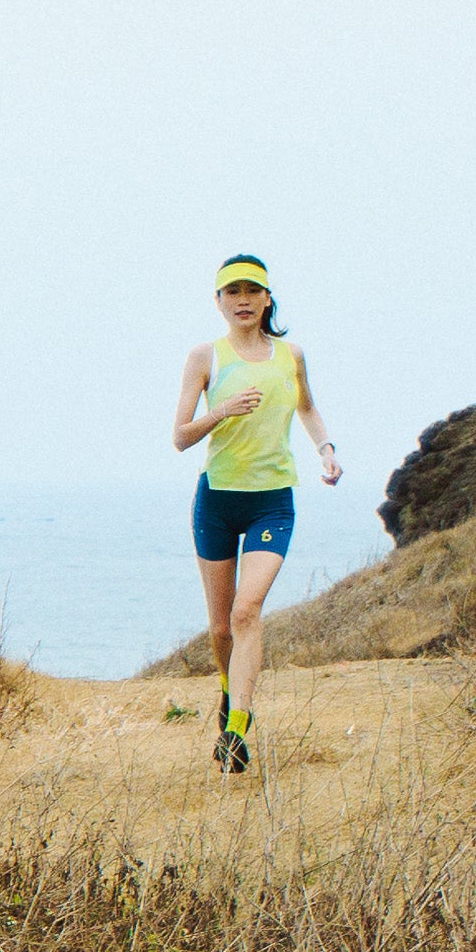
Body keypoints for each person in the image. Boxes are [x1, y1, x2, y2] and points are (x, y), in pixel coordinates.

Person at [170, 253, 341, 773]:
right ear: (218, 301)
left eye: (252, 291)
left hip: (272, 500)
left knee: (247, 612)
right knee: (221, 628)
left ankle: (237, 730)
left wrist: (326, 449)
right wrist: (221, 411)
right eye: (232, 292)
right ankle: (229, 691)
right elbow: (180, 437)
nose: (242, 300)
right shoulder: (206, 356)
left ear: (267, 299)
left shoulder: (292, 355)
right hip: (218, 500)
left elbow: (307, 406)